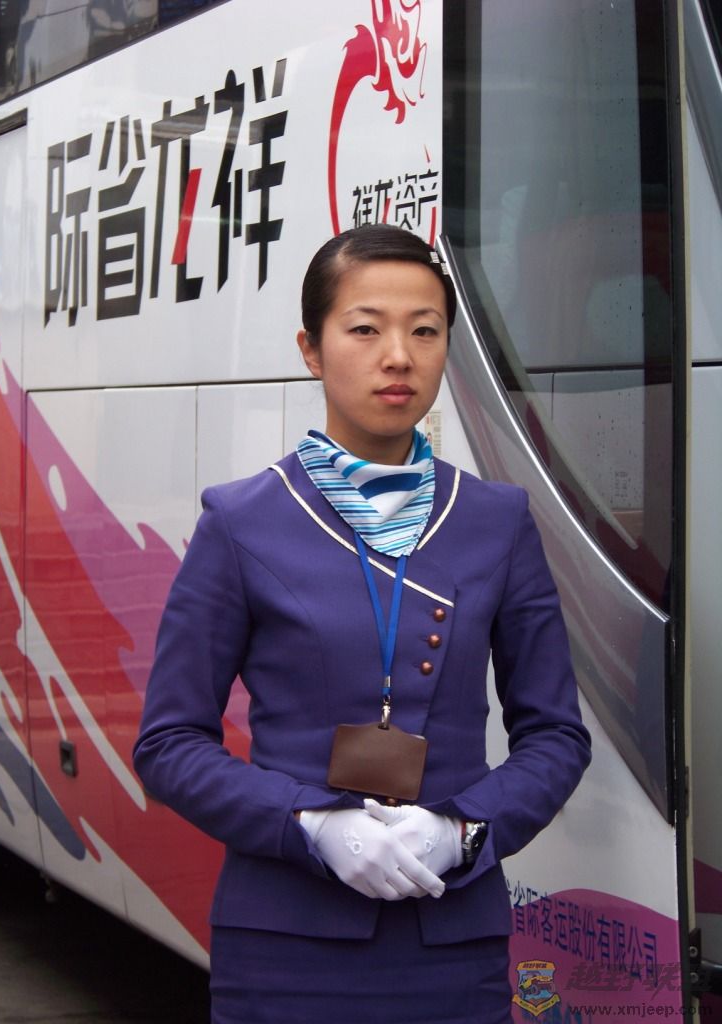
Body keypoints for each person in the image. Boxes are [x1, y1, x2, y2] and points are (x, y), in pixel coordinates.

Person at [133, 223, 591, 1024]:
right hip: (284, 945)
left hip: (451, 941)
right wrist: (310, 826)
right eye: (366, 329)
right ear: (311, 349)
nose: (399, 357)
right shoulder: (242, 522)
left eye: (425, 331)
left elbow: (555, 734)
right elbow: (168, 744)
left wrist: (463, 832)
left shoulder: (496, 520)